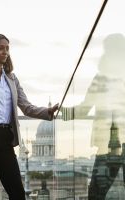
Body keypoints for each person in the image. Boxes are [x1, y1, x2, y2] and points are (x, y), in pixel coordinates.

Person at [0, 33, 58, 200]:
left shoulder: (12, 79)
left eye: (7, 48)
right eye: (1, 48)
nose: (5, 52)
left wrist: (46, 112)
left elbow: (26, 107)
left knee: (17, 192)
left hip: (6, 138)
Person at [61, 33, 125, 199]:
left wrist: (62, 112)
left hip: (108, 144)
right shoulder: (103, 79)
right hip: (112, 143)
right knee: (96, 192)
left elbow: (84, 108)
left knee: (96, 192)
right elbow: (85, 108)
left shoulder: (101, 79)